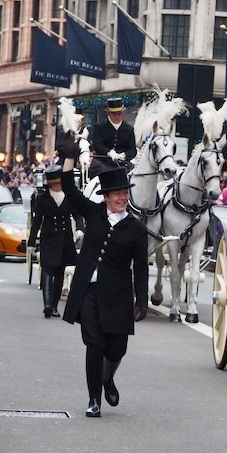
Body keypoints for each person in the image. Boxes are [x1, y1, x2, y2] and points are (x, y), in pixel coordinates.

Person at [58, 135, 149, 418]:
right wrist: (69, 160)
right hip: (89, 292)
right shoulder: (94, 212)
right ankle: (93, 398)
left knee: (116, 348)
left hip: (119, 295)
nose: (122, 198)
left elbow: (142, 267)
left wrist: (142, 301)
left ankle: (108, 378)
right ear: (106, 197)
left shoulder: (136, 229)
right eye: (117, 194)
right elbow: (70, 190)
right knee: (94, 344)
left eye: (125, 193)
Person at [27, 165, 84, 318]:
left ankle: (54, 305)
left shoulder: (70, 196)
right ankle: (47, 304)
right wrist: (32, 242)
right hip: (49, 238)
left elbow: (78, 215)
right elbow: (37, 220)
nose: (58, 186)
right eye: (55, 184)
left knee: (59, 272)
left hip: (65, 238)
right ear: (51, 184)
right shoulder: (42, 198)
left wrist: (80, 229)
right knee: (48, 270)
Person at [88, 98, 137, 179]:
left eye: (119, 114)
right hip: (102, 162)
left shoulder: (129, 129)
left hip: (122, 163)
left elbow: (132, 149)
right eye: (114, 114)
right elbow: (97, 144)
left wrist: (124, 155)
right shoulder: (99, 127)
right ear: (108, 113)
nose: (117, 117)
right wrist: (109, 153)